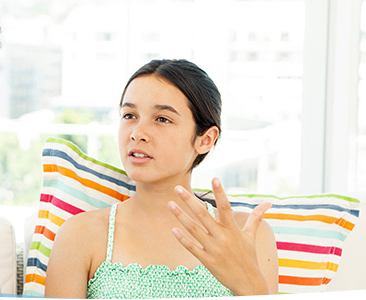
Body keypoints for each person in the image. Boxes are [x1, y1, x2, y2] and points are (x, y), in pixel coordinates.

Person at [45, 59, 279, 298]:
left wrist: (249, 285)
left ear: (205, 139)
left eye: (162, 119)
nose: (137, 133)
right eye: (129, 115)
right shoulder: (80, 235)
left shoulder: (248, 236)